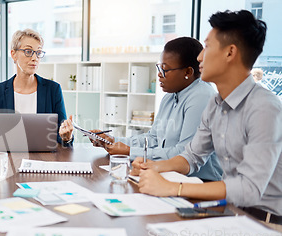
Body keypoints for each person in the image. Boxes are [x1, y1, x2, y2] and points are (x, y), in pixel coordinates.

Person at [132, 10, 282, 225]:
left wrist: (173, 187)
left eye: (208, 46)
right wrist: (154, 167)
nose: (200, 56)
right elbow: (192, 157)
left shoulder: (265, 108)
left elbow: (249, 189)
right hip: (231, 214)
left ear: (230, 53)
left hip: (267, 225)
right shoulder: (216, 104)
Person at [90, 37, 223, 181]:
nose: (159, 74)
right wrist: (113, 141)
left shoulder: (202, 97)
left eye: (165, 70)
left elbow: (183, 154)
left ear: (188, 72)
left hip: (200, 183)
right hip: (169, 177)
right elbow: (153, 138)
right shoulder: (170, 97)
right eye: (159, 68)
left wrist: (129, 151)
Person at [0, 29, 74, 146]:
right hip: (10, 159)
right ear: (14, 54)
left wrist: (66, 138)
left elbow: (62, 135)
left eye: (38, 53)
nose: (34, 58)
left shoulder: (53, 90)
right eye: (28, 51)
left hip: (44, 160)